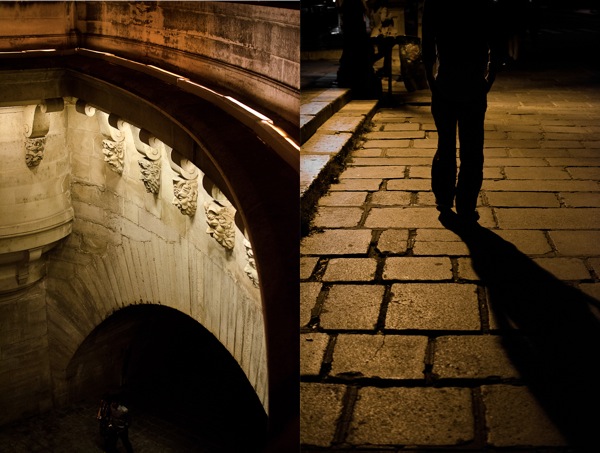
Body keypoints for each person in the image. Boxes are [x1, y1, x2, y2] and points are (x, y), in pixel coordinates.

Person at [422, 0, 502, 226]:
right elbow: (495, 43)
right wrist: (490, 77)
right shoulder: (485, 5)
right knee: (472, 148)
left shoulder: (436, 5)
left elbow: (427, 43)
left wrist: (430, 79)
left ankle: (444, 198)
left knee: (445, 145)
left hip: (445, 83)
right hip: (474, 84)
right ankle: (466, 204)